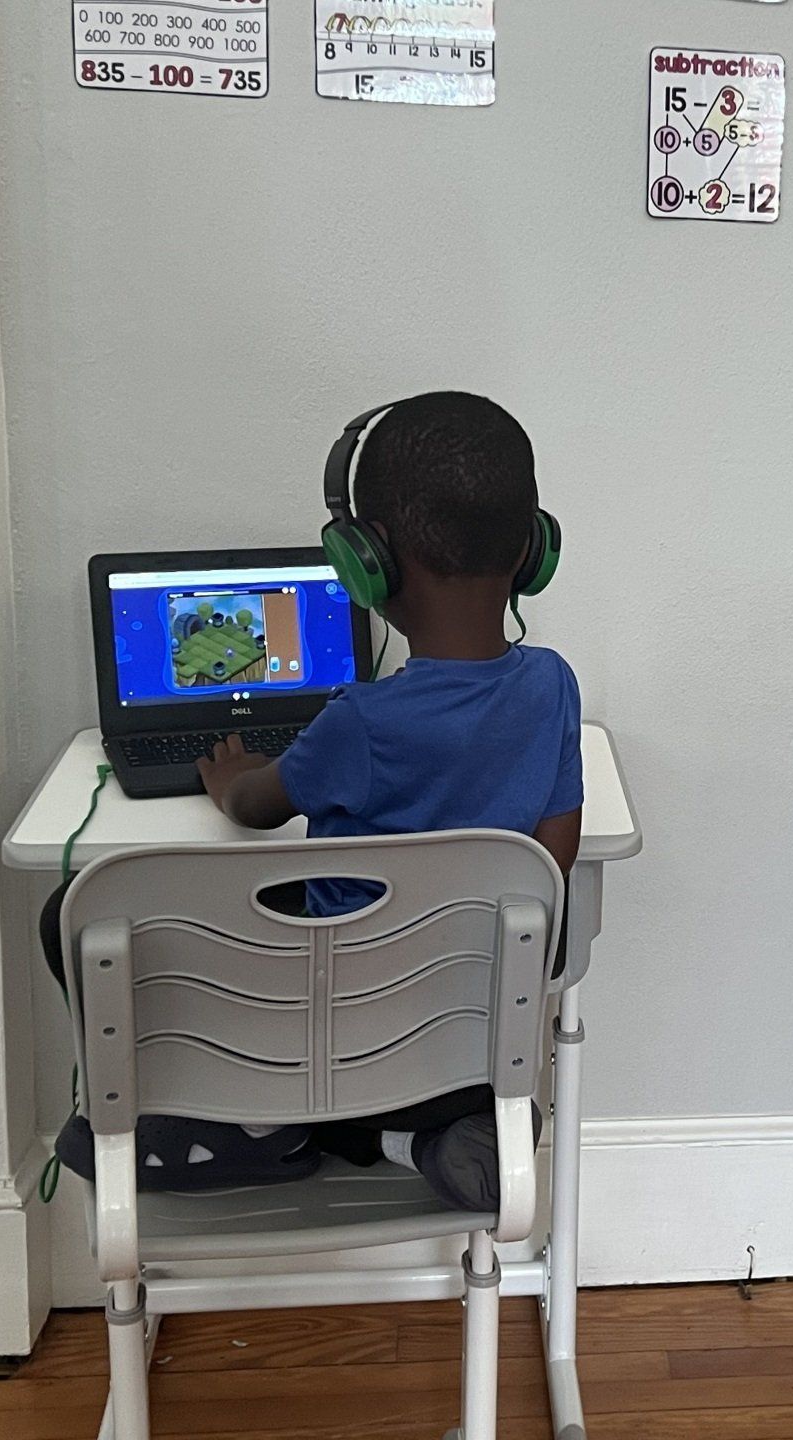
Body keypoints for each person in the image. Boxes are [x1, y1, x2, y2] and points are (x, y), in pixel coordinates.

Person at [45, 391, 581, 1203]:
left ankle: (249, 1123)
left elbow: (261, 807)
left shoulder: (359, 720)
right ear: (532, 549)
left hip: (329, 1028)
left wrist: (227, 779)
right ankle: (415, 1138)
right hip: (460, 1041)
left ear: (367, 564)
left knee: (70, 915)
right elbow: (554, 851)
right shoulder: (552, 685)